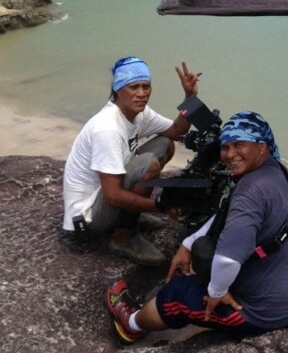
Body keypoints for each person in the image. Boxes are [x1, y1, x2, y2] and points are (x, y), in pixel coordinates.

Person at [105, 111, 288, 345]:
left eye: (239, 145)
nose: (230, 154)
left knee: (177, 294)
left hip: (269, 310)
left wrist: (217, 292)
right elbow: (226, 212)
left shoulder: (250, 193)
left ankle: (132, 323)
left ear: (261, 147)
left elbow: (228, 261)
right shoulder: (279, 171)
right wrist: (188, 244)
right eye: (226, 147)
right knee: (204, 254)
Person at [62, 57, 201, 266]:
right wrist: (161, 206)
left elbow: (176, 131)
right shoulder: (107, 128)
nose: (142, 93)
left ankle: (129, 214)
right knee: (149, 164)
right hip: (88, 217)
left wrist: (190, 97)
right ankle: (123, 238)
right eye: (134, 87)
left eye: (146, 86)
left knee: (165, 143)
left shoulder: (138, 113)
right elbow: (113, 195)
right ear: (118, 89)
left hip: (104, 199)